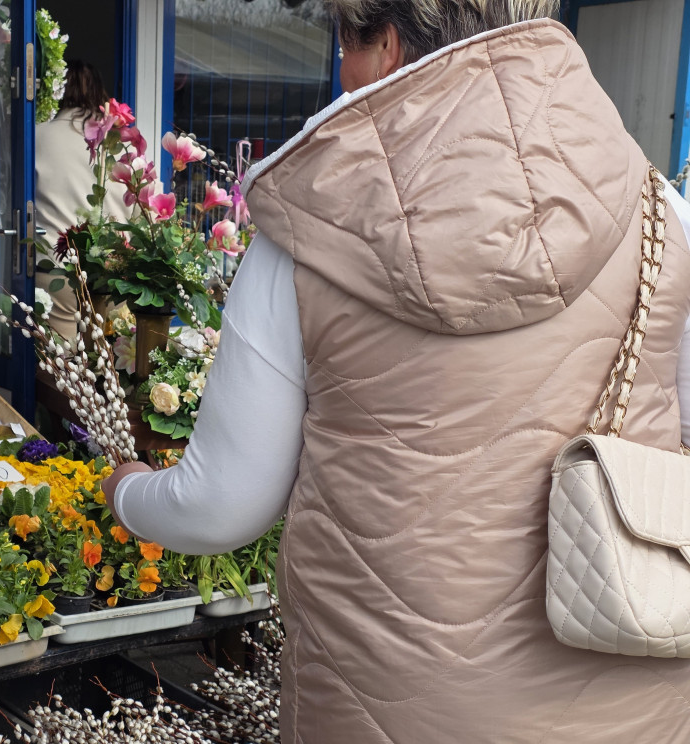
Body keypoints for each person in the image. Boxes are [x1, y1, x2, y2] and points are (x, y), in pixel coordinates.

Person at [102, 2, 690, 741]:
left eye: (342, 44)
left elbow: (224, 506)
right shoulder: (660, 210)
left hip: (383, 708)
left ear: (383, 43)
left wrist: (125, 492)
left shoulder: (306, 233)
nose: (340, 75)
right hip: (630, 692)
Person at [34, 60, 130, 338]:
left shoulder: (36, 136)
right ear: (100, 94)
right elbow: (141, 207)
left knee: (61, 369)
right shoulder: (119, 141)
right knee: (110, 363)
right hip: (112, 269)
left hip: (55, 267)